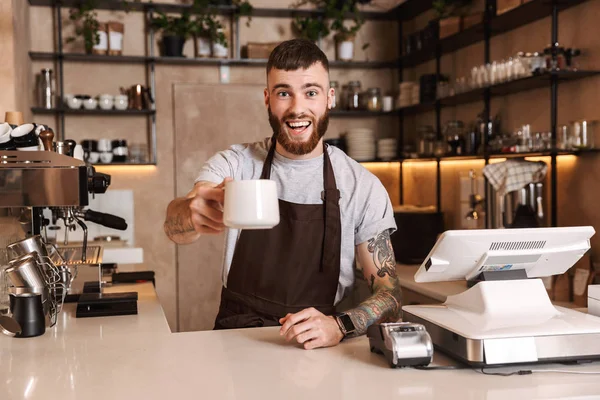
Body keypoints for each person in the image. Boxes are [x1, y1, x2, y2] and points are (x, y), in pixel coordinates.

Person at [164, 38, 402, 350]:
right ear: (267, 98)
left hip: (316, 343)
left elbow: (391, 296)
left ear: (330, 98)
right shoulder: (236, 164)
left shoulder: (361, 185)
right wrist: (189, 213)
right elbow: (175, 228)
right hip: (235, 339)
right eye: (283, 93)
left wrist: (340, 325)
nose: (297, 108)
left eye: (311, 92)